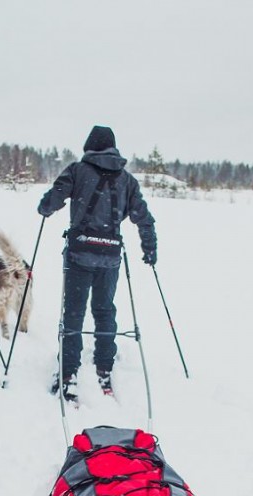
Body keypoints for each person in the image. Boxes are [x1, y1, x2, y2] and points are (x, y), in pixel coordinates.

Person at [38, 125, 157, 401]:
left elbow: (51, 202)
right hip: (110, 257)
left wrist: (46, 206)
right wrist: (149, 247)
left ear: (89, 146)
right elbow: (144, 217)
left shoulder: (77, 171)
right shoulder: (127, 179)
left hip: (80, 254)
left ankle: (68, 373)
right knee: (105, 311)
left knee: (74, 314)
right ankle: (104, 366)